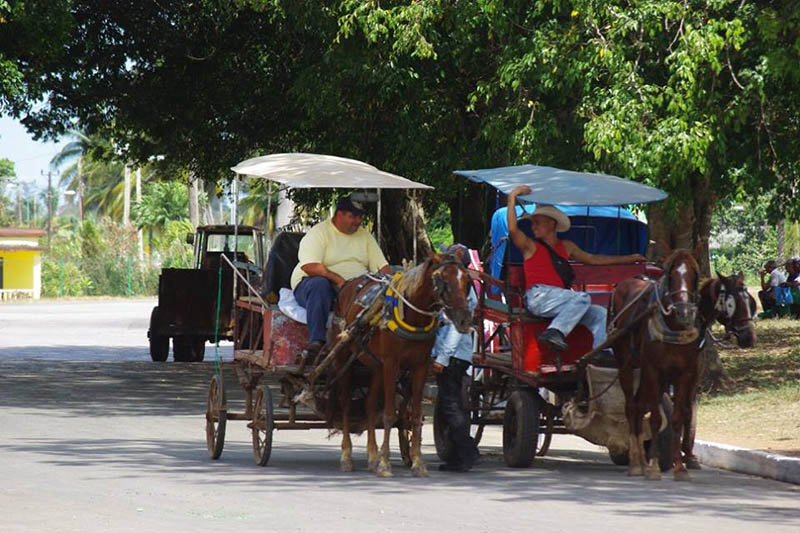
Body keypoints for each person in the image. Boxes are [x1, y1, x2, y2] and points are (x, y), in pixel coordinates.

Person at [506, 185, 646, 354]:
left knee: (599, 313)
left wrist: (630, 258)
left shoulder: (566, 246)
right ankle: (555, 332)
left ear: (552, 224)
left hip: (561, 300)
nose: (533, 226)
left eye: (537, 222)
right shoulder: (530, 246)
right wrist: (513, 196)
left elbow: (594, 259)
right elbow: (513, 229)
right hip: (539, 297)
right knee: (582, 298)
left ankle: (600, 353)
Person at [290, 195, 392, 359]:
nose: (357, 221)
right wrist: (339, 280)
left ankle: (375, 347)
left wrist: (391, 284)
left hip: (355, 289)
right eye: (352, 216)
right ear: (339, 214)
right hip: (314, 284)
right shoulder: (319, 233)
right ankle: (316, 342)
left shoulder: (365, 236)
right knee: (319, 285)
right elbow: (309, 266)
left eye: (360, 217)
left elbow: (382, 267)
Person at [431, 244, 480, 472]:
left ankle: (468, 452)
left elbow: (455, 328)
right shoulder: (459, 289)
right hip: (457, 355)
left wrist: (442, 357)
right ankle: (455, 456)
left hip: (454, 356)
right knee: (449, 405)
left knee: (450, 405)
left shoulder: (461, 294)